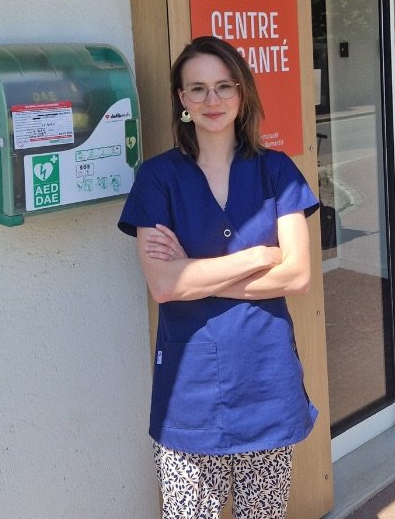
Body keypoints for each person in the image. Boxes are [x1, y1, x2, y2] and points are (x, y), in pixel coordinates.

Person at [118, 35, 319, 518]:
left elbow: (297, 275)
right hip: (192, 390)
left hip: (265, 379)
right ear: (182, 100)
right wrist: (257, 257)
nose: (213, 100)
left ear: (242, 93)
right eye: (199, 89)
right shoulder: (158, 178)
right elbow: (164, 286)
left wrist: (194, 271)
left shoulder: (277, 171)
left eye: (224, 86)